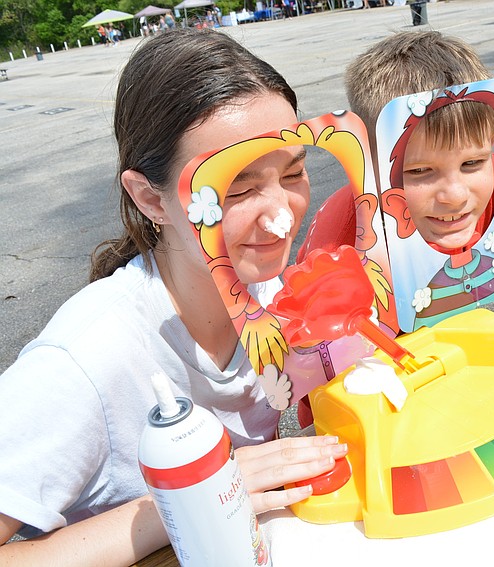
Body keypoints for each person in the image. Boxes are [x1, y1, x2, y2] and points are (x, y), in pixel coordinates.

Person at [0, 28, 347, 566]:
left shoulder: (268, 287)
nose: (283, 212)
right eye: (238, 187)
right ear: (148, 197)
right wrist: (188, 503)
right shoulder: (84, 360)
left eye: (295, 172)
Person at [299, 30, 494, 338]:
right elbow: (309, 339)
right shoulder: (341, 239)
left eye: (471, 163)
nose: (455, 195)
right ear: (369, 165)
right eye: (419, 171)